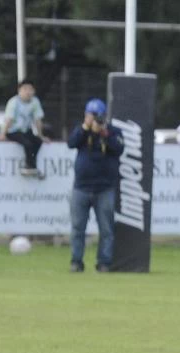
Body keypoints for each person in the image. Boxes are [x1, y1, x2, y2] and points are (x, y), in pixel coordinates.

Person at [67, 98, 124, 273]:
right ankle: (76, 261)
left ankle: (104, 262)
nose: (95, 119)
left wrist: (104, 133)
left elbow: (120, 149)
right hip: (81, 187)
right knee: (78, 228)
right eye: (91, 115)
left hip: (105, 188)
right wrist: (86, 128)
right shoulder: (82, 131)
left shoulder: (113, 131)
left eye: (97, 116)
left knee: (106, 229)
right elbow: (71, 143)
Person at [0, 79, 49, 177]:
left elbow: (38, 120)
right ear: (19, 90)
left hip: (25, 130)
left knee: (38, 141)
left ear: (34, 91)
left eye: (30, 89)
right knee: (27, 144)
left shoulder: (35, 101)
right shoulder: (14, 102)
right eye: (25, 89)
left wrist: (40, 135)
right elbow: (8, 119)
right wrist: (2, 134)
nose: (28, 92)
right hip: (13, 131)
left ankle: (32, 164)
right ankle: (28, 166)